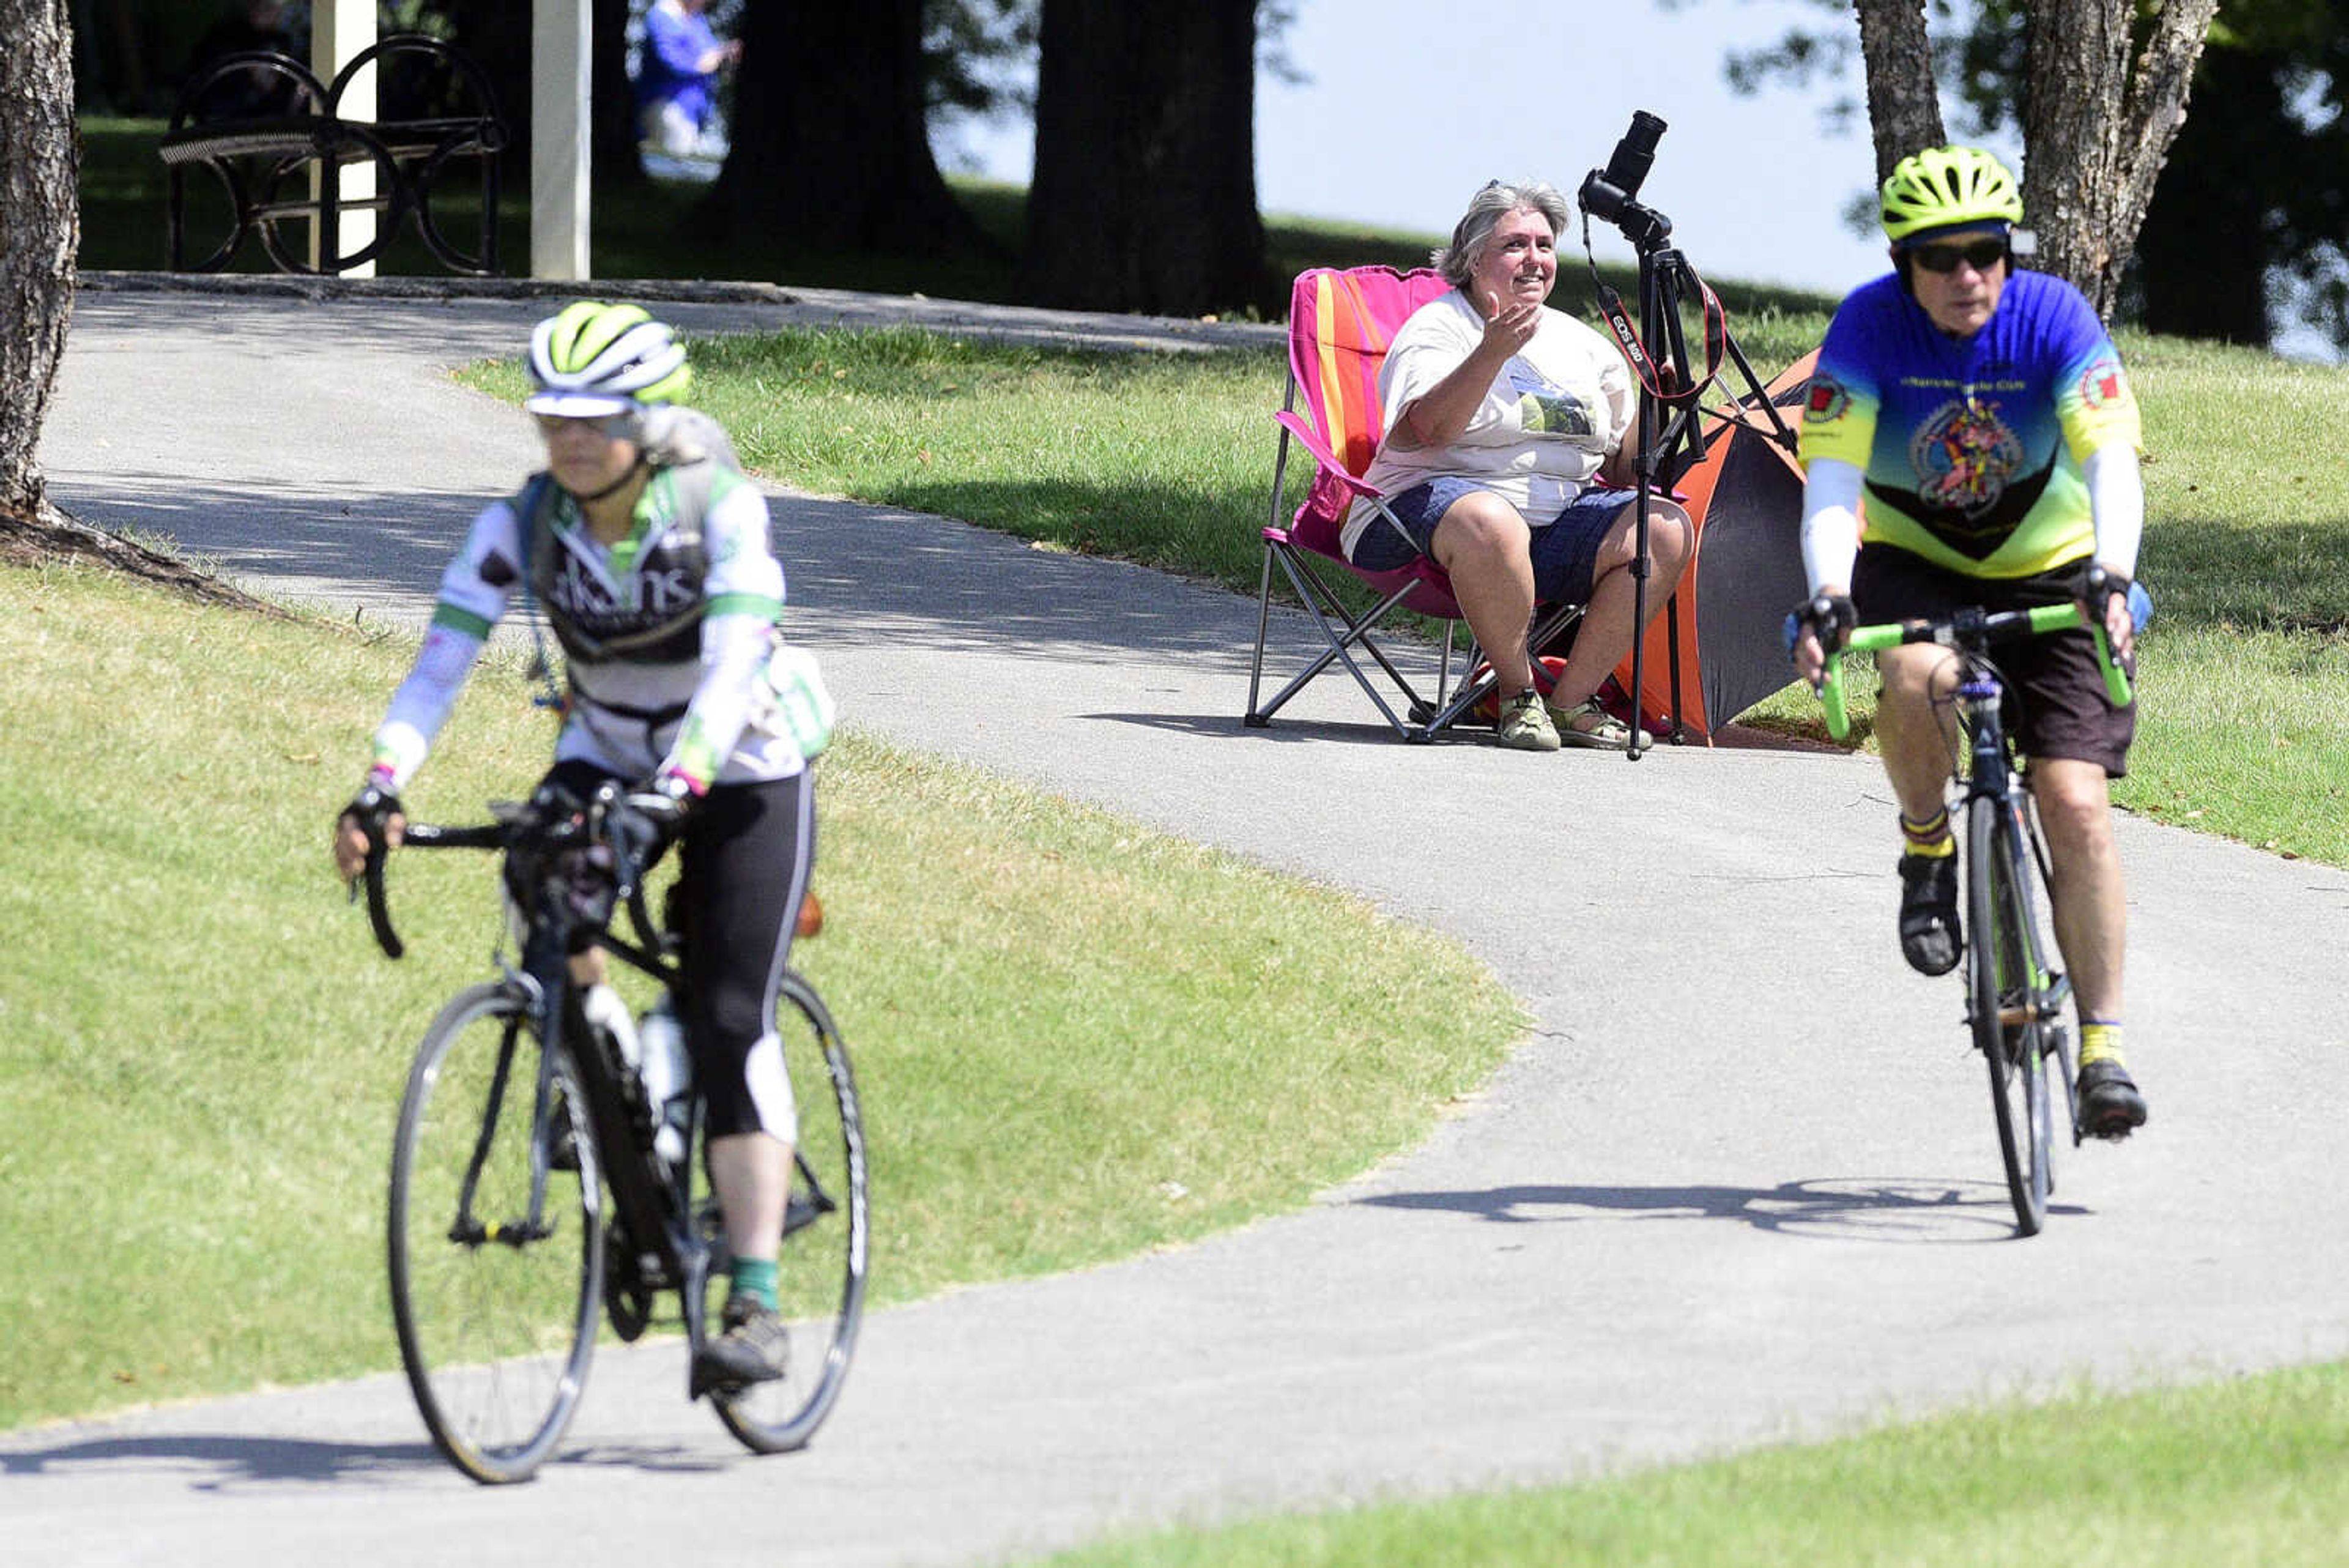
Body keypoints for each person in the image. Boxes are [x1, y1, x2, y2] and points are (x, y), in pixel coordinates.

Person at [332, 302, 825, 1390]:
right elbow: (439, 662)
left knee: (730, 1012)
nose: (570, 439)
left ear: (649, 421)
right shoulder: (522, 521)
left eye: (596, 419)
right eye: (553, 417)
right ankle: (604, 1080)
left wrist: (677, 788)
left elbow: (738, 663)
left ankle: (753, 1298)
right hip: (604, 742)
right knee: (539, 876)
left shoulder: (718, 506)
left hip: (742, 757)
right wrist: (382, 783)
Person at [1786, 146, 2150, 1137]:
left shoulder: (2055, 318)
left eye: (1987, 251)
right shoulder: (1868, 326)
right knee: (1912, 673)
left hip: (2055, 565)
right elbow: (1831, 485)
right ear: (1905, 261)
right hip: (1920, 560)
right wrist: (1827, 591)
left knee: (2074, 802)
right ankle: (1926, 846)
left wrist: (2112, 573)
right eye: (1941, 257)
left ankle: (2104, 1046)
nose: (1967, 276)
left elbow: (2112, 459)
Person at [1347, 179, 1693, 752]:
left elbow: (1629, 473)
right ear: (1473, 257)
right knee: (1493, 517)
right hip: (1415, 519)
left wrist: (1658, 405)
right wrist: (1491, 352)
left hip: (1551, 531)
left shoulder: (1586, 346)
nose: (1534, 259)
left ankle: (1570, 702)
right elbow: (1424, 431)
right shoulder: (1440, 328)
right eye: (1515, 245)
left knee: (1663, 525)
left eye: (1544, 245)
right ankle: (1515, 696)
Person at [634, 0, 741, 159]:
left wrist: (725, 52)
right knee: (673, 164)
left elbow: (711, 51)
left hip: (693, 111)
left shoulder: (697, 19)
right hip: (667, 108)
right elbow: (671, 61)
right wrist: (703, 64)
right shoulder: (662, 15)